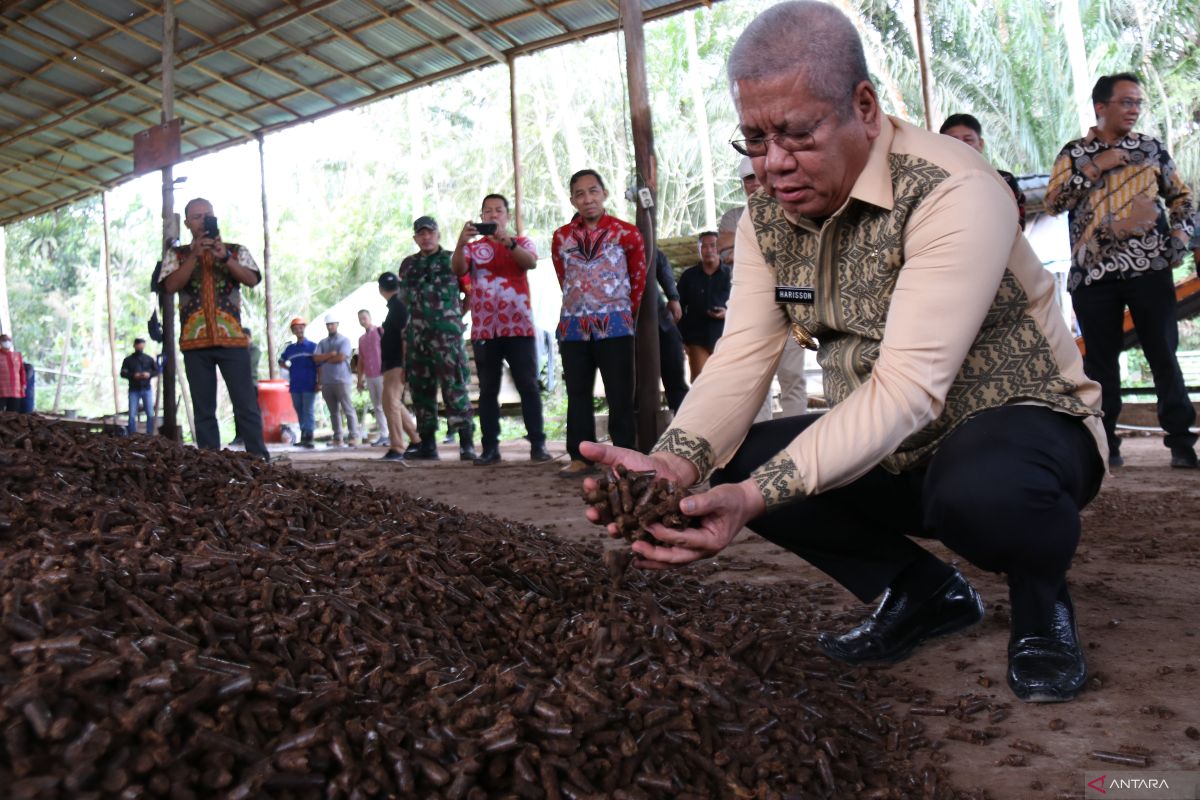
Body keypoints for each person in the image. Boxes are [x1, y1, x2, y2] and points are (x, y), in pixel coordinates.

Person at [582, 1, 1106, 705]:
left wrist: (753, 499)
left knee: (983, 490)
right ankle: (923, 592)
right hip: (893, 443)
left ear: (864, 106)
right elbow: (740, 359)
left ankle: (1043, 605)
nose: (773, 164)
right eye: (754, 139)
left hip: (1019, 426)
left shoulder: (953, 189)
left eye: (796, 134)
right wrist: (677, 461)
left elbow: (912, 388)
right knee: (731, 455)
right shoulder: (767, 215)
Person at [1046, 72, 1196, 469]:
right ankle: (1105, 444)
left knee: (1163, 355)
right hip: (1093, 276)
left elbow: (1182, 198)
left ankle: (1182, 444)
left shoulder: (1150, 149)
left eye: (1137, 103)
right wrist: (1096, 166)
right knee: (1099, 364)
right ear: (1101, 107)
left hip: (1149, 269)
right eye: (1126, 102)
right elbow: (1054, 201)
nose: (1134, 110)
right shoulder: (1075, 152)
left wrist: (1178, 240)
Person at [551, 170, 647, 477]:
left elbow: (638, 279)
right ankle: (580, 456)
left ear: (604, 193)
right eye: (580, 194)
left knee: (620, 394)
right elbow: (563, 277)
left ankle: (624, 457)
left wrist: (622, 313)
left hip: (616, 325)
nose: (587, 198)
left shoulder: (627, 233)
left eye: (593, 191)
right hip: (573, 328)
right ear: (572, 200)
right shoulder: (562, 237)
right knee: (578, 394)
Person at [158, 198, 268, 458]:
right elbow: (170, 286)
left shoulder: (235, 249)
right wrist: (195, 255)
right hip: (195, 343)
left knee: (246, 405)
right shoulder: (177, 255)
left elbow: (252, 279)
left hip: (233, 341)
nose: (202, 219)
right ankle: (210, 463)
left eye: (207, 214)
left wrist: (226, 258)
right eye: (196, 216)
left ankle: (259, 460)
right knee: (203, 410)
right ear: (187, 223)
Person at [452, 195, 551, 466]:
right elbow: (458, 269)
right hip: (485, 330)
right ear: (481, 217)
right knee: (487, 391)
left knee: (528, 387)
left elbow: (529, 262)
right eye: (488, 212)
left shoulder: (522, 242)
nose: (493, 215)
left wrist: (507, 242)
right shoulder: (473, 248)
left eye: (498, 211)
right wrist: (462, 241)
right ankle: (490, 448)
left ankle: (538, 444)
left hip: (519, 326)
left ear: (507, 215)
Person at [720, 156, 809, 419]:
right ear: (743, 184)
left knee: (793, 375)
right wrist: (777, 244)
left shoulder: (794, 209)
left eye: (758, 177)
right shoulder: (732, 216)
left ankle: (797, 435)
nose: (754, 183)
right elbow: (725, 251)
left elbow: (802, 252)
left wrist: (747, 245)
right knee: (756, 379)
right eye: (748, 179)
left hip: (794, 304)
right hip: (753, 307)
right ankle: (761, 436)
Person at [400, 216, 476, 461]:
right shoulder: (408, 266)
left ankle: (466, 443)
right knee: (422, 392)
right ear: (415, 238)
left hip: (447, 339)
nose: (426, 237)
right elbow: (404, 302)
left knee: (455, 388)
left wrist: (453, 317)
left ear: (438, 234)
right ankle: (428, 445)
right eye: (421, 234)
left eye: (430, 232)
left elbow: (470, 294)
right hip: (417, 339)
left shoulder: (452, 260)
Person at [940, 113, 1027, 230]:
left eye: (968, 140)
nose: (961, 145)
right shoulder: (933, 184)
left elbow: (1018, 223)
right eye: (953, 140)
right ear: (941, 145)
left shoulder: (1004, 180)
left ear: (980, 144)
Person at [377, 271, 421, 461]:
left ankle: (397, 447)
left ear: (380, 290)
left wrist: (405, 363)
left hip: (397, 362)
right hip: (393, 362)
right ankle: (416, 439)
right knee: (392, 402)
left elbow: (406, 334)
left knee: (390, 403)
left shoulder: (398, 306)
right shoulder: (396, 306)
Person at [676, 231, 732, 380]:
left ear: (719, 247)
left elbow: (745, 305)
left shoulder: (731, 274)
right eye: (704, 247)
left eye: (713, 246)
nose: (708, 250)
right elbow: (677, 308)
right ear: (699, 250)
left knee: (725, 382)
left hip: (725, 338)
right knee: (700, 383)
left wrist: (728, 313)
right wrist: (681, 339)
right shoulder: (689, 276)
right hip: (696, 339)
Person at [313, 313, 361, 446]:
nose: (330, 326)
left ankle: (354, 436)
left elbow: (341, 357)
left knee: (348, 409)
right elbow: (316, 358)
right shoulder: (322, 343)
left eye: (333, 324)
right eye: (328, 324)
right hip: (326, 381)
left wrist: (325, 358)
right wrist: (330, 355)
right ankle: (337, 438)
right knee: (333, 412)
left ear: (337, 325)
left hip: (342, 380)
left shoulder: (344, 340)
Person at [653, 248, 688, 414]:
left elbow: (659, 260)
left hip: (660, 318)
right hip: (625, 322)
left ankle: (683, 423)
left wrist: (673, 297)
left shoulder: (628, 237)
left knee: (675, 378)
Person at [278, 316, 318, 448]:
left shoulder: (313, 347)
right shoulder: (290, 349)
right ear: (293, 331)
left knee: (308, 410)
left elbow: (320, 365)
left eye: (301, 328)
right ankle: (303, 435)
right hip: (295, 385)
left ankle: (309, 436)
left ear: (304, 328)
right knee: (299, 410)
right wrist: (289, 368)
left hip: (310, 383)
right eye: (296, 329)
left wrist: (319, 382)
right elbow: (281, 360)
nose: (299, 330)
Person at [354, 309, 389, 446]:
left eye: (364, 318)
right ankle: (384, 434)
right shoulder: (361, 339)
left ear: (370, 317)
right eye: (360, 318)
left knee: (387, 404)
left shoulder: (380, 332)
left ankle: (393, 433)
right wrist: (359, 380)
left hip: (382, 374)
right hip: (370, 375)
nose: (362, 321)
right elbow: (361, 360)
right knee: (377, 406)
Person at [120, 337, 157, 435]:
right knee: (132, 413)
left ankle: (150, 433)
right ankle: (132, 433)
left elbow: (156, 371)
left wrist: (148, 374)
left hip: (146, 389)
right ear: (135, 346)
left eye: (142, 346)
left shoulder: (149, 359)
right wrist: (133, 375)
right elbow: (123, 373)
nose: (140, 347)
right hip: (134, 389)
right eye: (138, 345)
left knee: (150, 413)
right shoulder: (128, 360)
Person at [0, 333, 27, 413]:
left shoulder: (17, 356)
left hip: (15, 390)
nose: (7, 342)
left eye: (8, 340)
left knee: (13, 415)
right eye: (4, 340)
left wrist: (23, 384)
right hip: (1, 390)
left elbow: (22, 371)